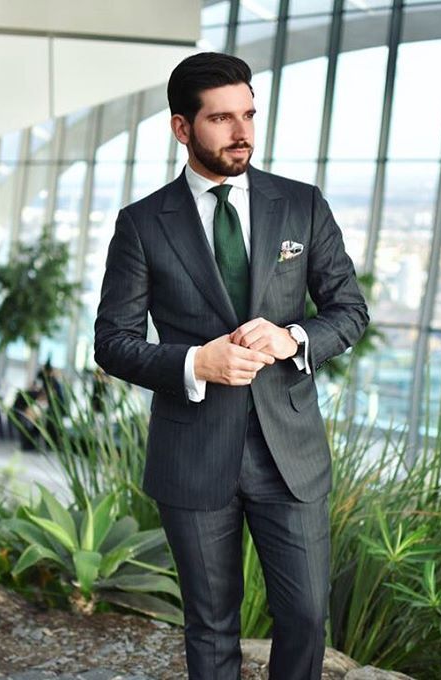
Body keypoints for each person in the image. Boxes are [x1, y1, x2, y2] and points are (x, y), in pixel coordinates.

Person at [94, 52, 369, 680]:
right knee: (210, 625)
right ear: (182, 128)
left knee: (304, 617)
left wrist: (292, 335)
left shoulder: (301, 205)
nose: (241, 131)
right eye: (221, 118)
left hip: (290, 455)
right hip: (193, 453)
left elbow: (350, 311)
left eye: (248, 114)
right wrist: (197, 362)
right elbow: (112, 342)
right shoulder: (141, 224)